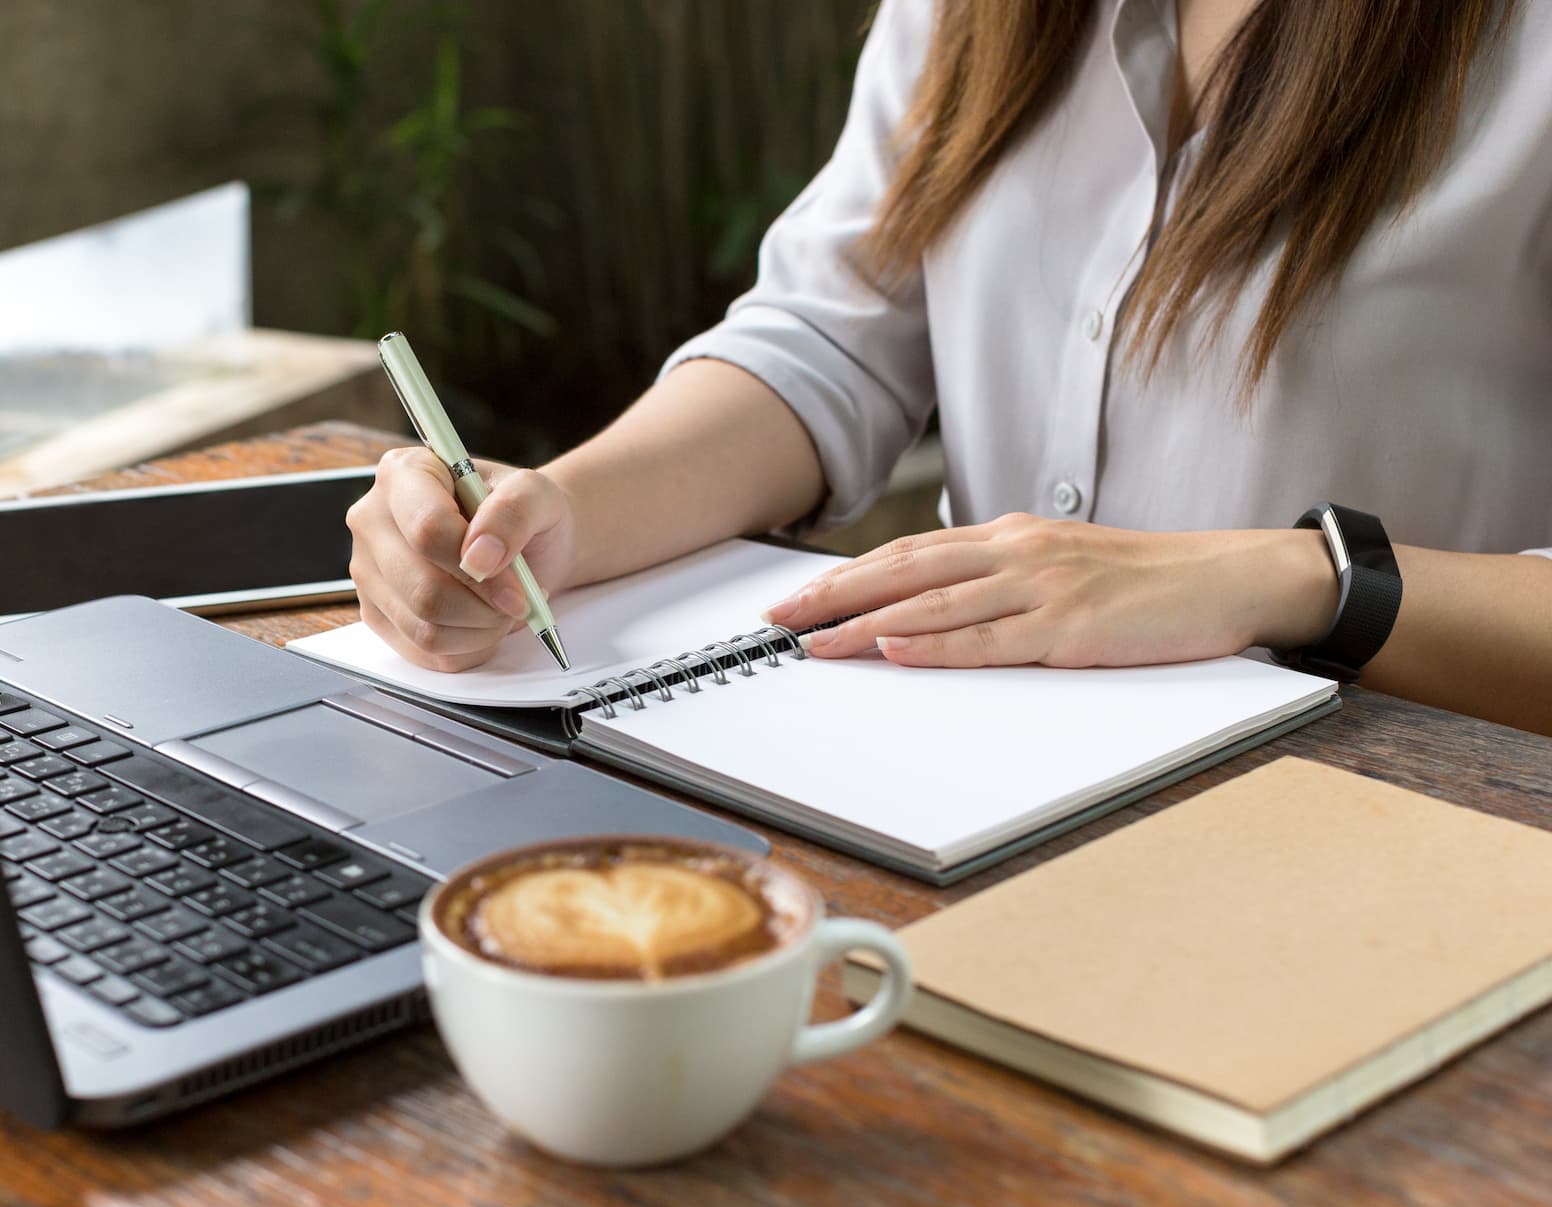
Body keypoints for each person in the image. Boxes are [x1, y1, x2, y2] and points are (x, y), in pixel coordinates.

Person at [346, 0, 1552, 735]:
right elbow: (829, 339)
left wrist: (1290, 579)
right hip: (966, 784)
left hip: (1399, 825)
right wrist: (558, 517)